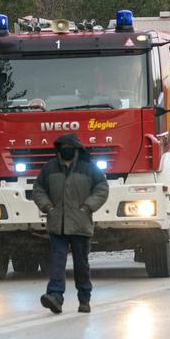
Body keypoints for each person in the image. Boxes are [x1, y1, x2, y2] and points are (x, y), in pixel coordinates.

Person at [33, 133, 109, 314]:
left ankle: (84, 299)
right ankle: (54, 296)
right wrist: (48, 207)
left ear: (76, 150)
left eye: (69, 148)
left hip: (80, 224)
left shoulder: (88, 168)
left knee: (81, 264)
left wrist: (88, 207)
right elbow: (38, 188)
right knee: (57, 261)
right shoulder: (50, 168)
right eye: (63, 147)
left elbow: (102, 188)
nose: (65, 151)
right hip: (57, 224)